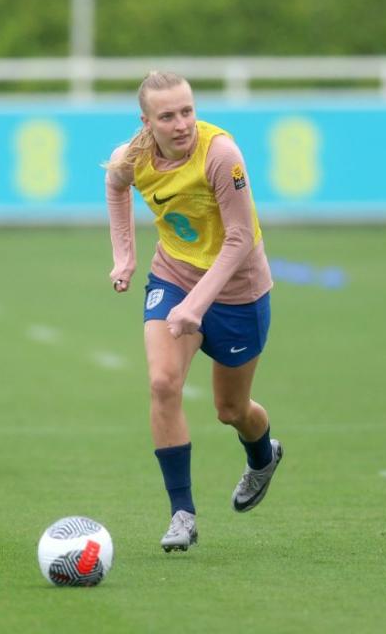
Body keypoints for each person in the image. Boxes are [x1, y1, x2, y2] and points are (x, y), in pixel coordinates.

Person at [104, 71, 283, 552]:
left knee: (231, 410)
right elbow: (116, 183)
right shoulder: (134, 155)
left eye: (187, 111)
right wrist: (125, 255)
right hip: (173, 275)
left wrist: (196, 305)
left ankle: (263, 456)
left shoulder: (221, 155)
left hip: (237, 290)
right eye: (168, 116)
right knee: (163, 383)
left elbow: (241, 239)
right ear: (147, 121)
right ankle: (181, 513)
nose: (181, 123)